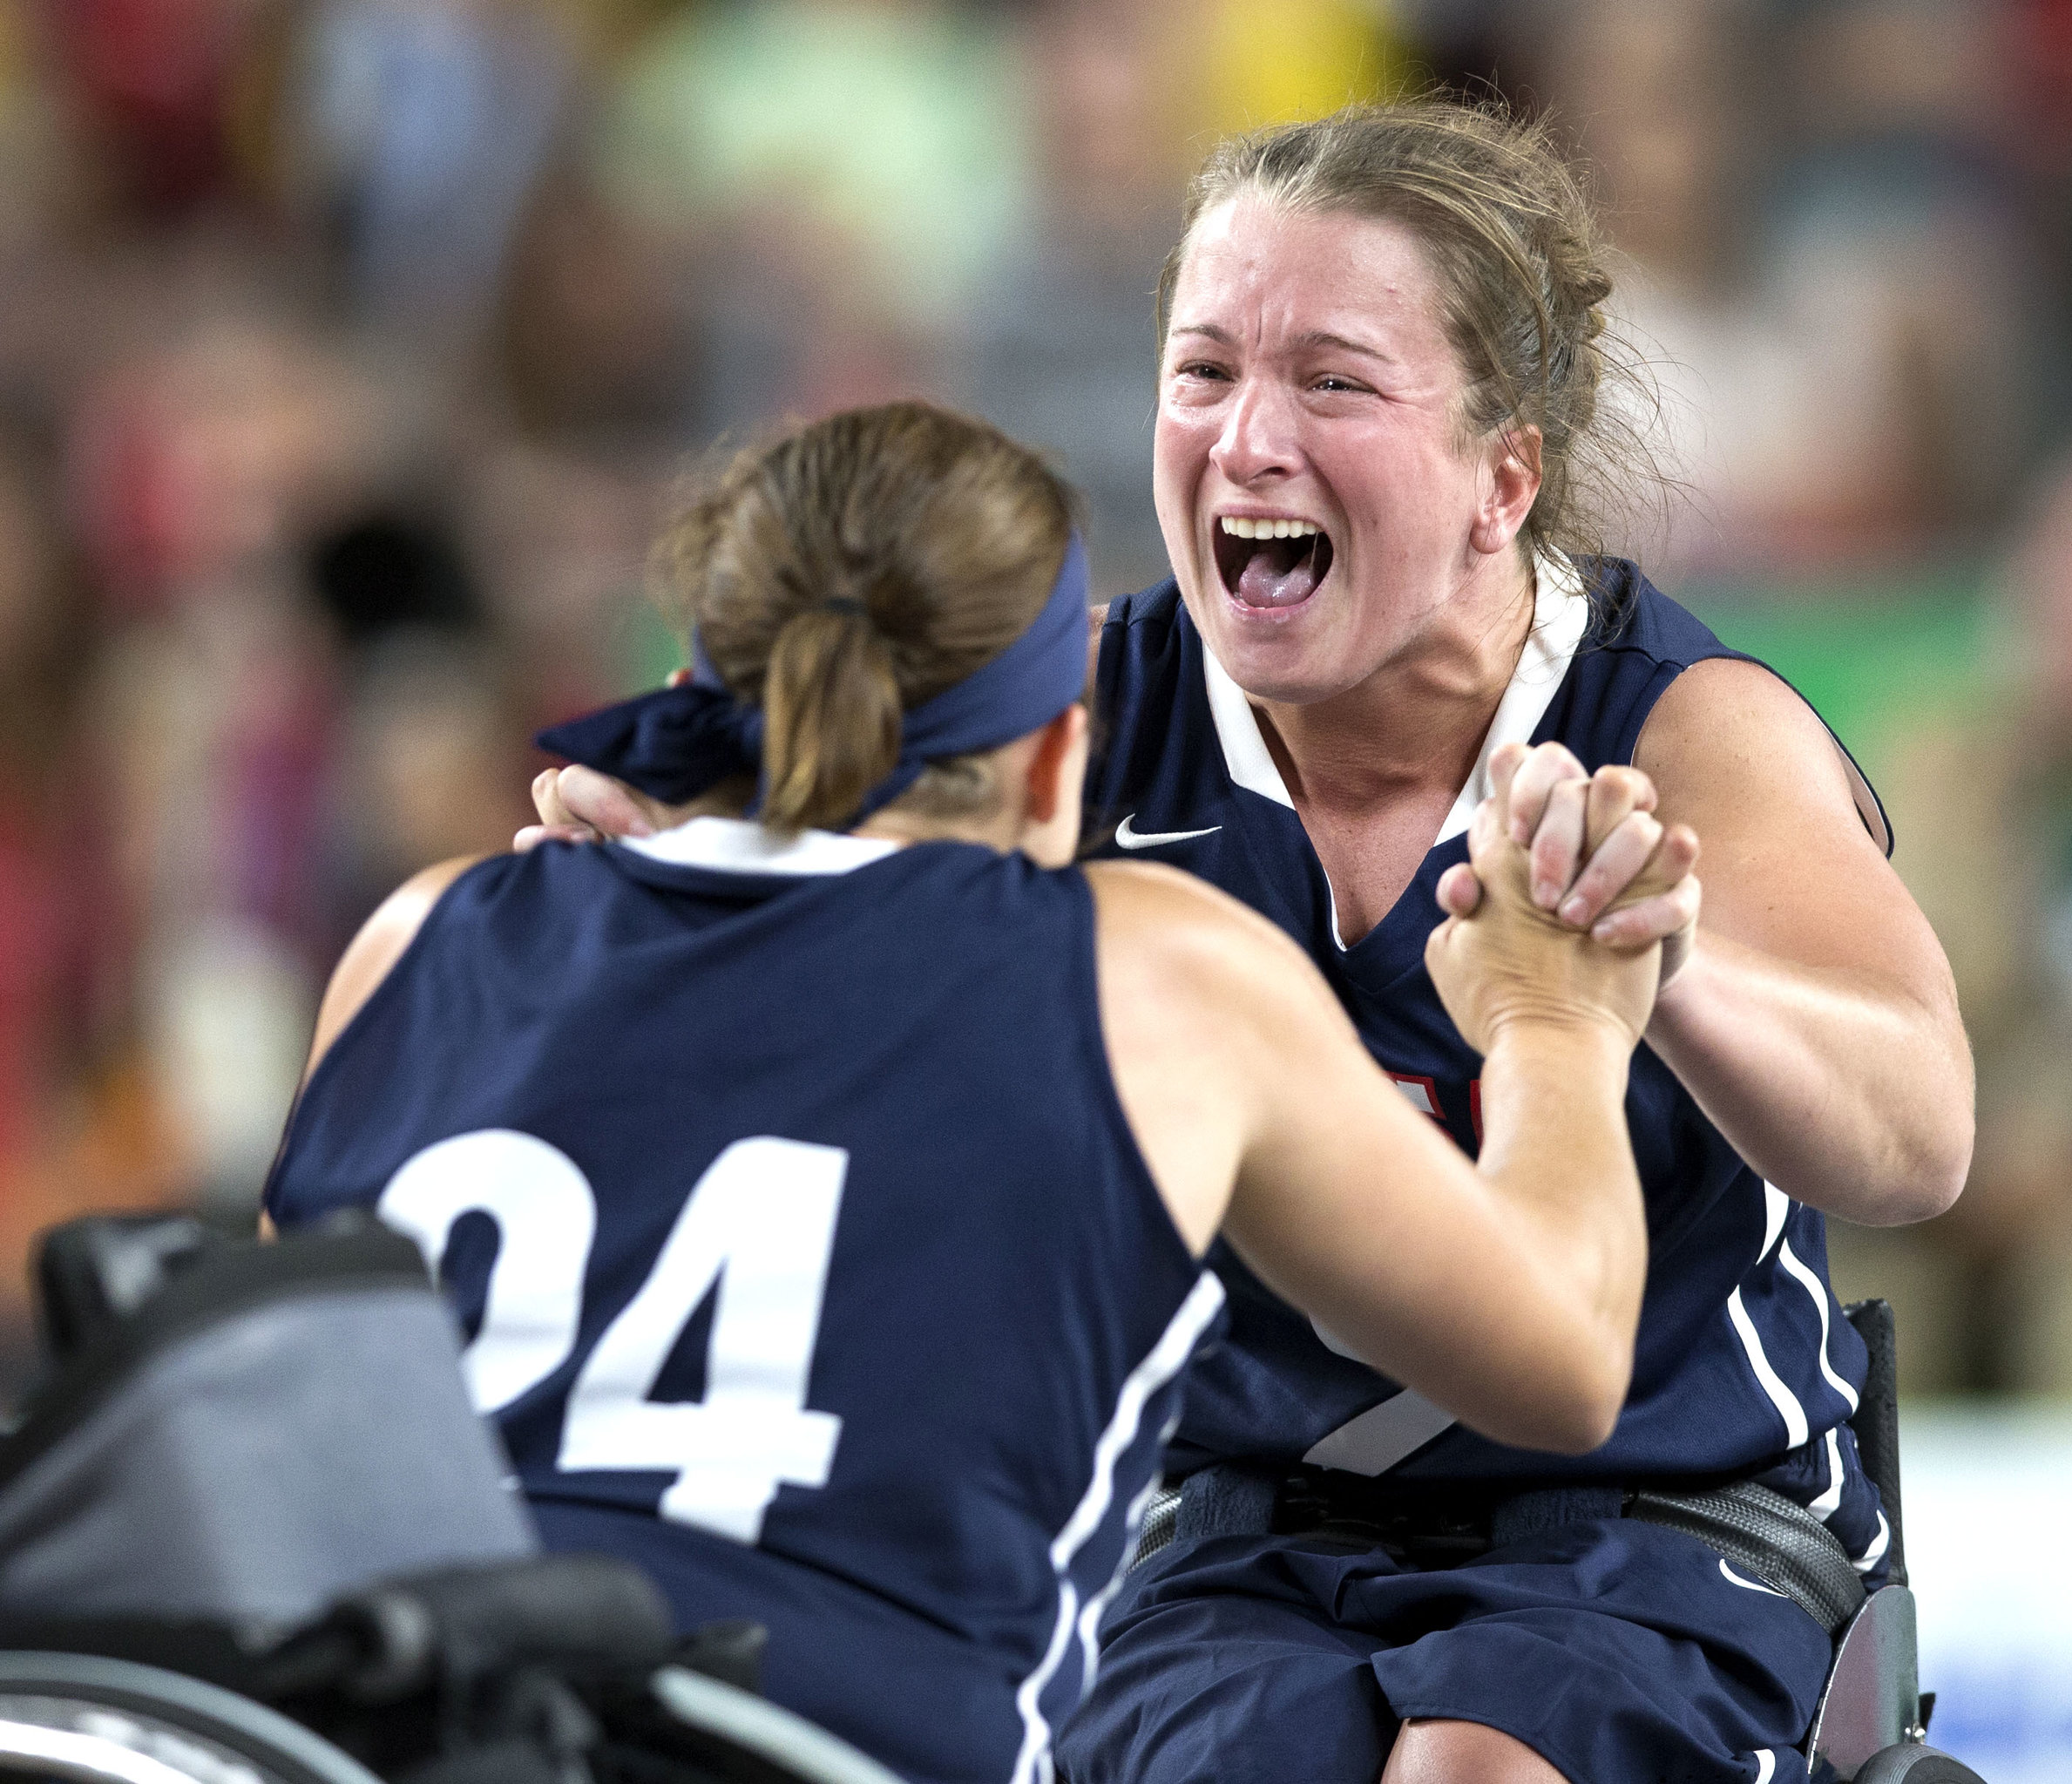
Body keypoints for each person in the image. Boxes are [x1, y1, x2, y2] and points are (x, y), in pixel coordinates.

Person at [532, 100, 1974, 1784]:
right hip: (1238, 1525)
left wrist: (1656, 958)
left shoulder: (1678, 727)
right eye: (1204, 371)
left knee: (1477, 1772)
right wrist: (680, 914)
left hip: (1668, 1505)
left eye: (1333, 382)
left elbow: (1922, 1143)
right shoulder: (1058, 724)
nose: (1245, 439)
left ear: (1505, 474)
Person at [267, 403, 1695, 1784]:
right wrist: (1550, 1015)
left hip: (351, 1739)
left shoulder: (419, 937)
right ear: (1059, 760)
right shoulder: (1150, 974)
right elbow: (1565, 1362)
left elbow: (271, 1453)